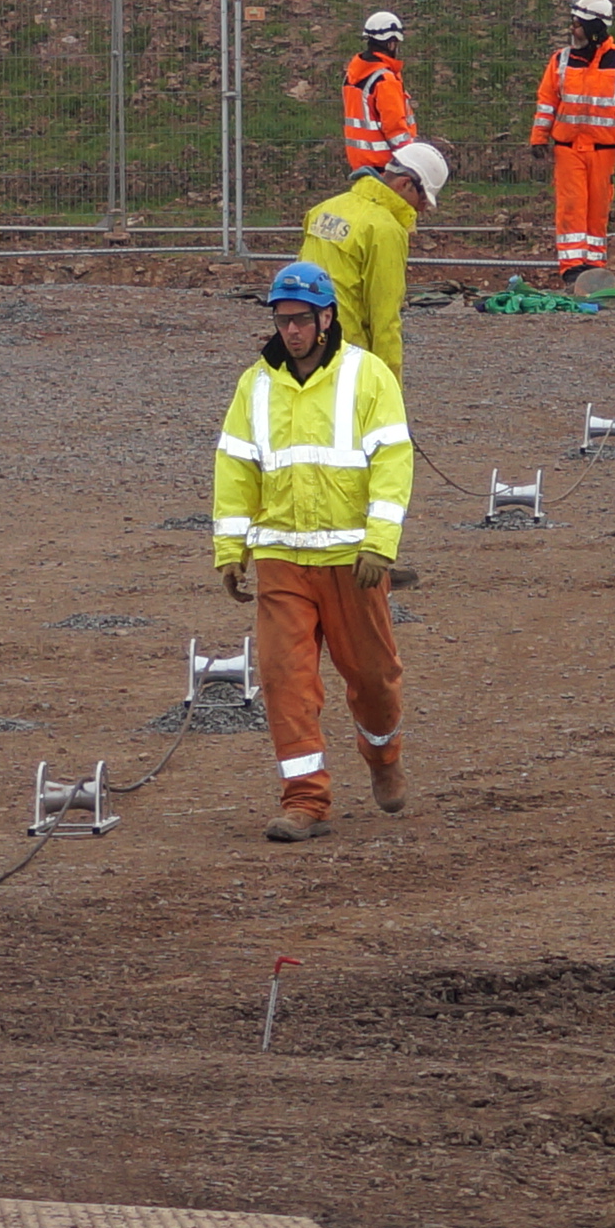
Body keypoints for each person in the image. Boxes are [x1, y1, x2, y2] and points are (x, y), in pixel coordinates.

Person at [213, 260, 415, 840]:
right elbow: (235, 467)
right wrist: (231, 547)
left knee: (373, 678)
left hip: (353, 565)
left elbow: (392, 466)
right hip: (282, 560)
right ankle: (305, 799)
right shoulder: (255, 384)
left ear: (325, 318)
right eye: (282, 320)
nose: (291, 330)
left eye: (300, 319)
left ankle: (384, 758)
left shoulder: (368, 378)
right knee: (284, 680)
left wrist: (380, 544)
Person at [300, 135, 448, 382]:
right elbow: (385, 321)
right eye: (423, 199)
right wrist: (389, 392)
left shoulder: (324, 209)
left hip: (302, 346)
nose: (421, 209)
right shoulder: (384, 229)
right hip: (345, 358)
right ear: (404, 184)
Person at [527, 0, 615, 288]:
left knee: (597, 210)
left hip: (604, 151)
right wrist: (539, 138)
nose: (573, 29)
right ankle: (571, 267)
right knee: (571, 207)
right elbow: (547, 102)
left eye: (578, 24)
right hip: (568, 149)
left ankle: (594, 265)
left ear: (594, 29)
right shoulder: (561, 60)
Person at [340, 11, 417, 175]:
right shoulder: (385, 79)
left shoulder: (354, 74)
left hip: (360, 164)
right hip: (386, 167)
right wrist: (412, 159)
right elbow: (395, 128)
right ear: (391, 44)